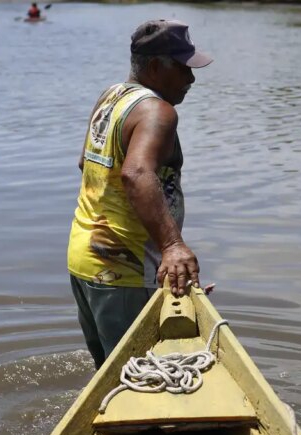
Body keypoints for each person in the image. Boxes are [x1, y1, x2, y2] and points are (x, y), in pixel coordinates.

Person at [67, 20, 213, 369]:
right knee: (141, 385)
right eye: (182, 69)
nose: (190, 80)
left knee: (114, 378)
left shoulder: (111, 97)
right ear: (154, 67)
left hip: (85, 260)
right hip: (125, 271)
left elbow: (84, 163)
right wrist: (172, 248)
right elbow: (135, 174)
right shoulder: (157, 112)